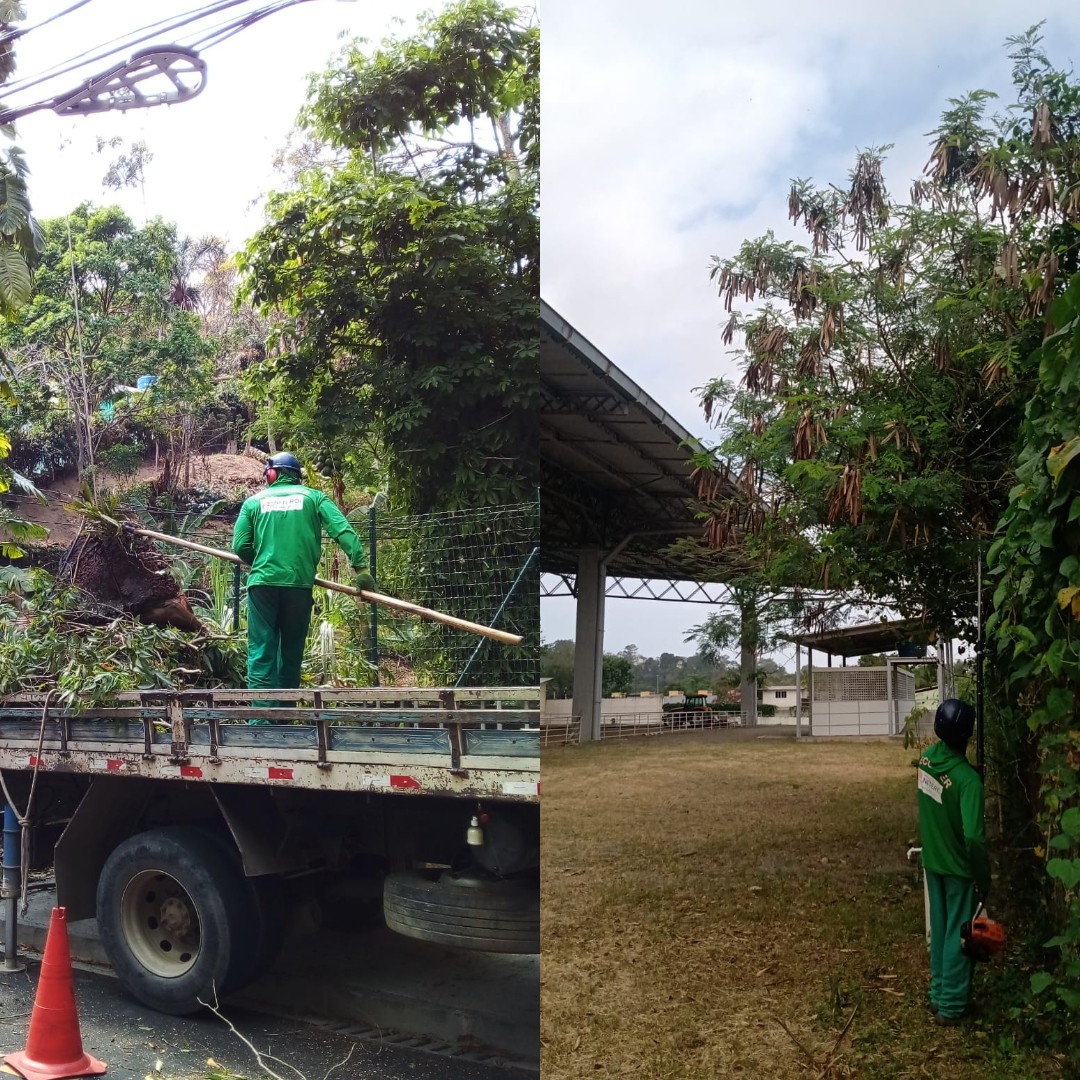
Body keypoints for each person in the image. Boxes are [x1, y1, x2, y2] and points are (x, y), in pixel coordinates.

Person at [232, 452, 375, 706]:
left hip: (263, 586)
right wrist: (361, 568)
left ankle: (261, 720)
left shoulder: (253, 503)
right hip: (298, 586)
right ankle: (285, 716)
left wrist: (264, 560)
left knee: (261, 652)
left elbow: (240, 546)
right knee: (290, 652)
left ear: (272, 474)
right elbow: (342, 530)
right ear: (297, 476)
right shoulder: (314, 498)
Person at [917, 697, 991, 1026]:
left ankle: (937, 993)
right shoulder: (968, 782)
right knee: (958, 934)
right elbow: (973, 837)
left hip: (932, 860)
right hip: (958, 868)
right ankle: (950, 1005)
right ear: (968, 734)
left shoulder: (926, 761)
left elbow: (942, 790)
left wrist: (967, 772)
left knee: (940, 928)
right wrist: (983, 877)